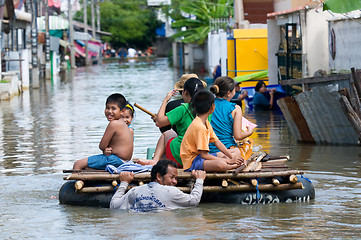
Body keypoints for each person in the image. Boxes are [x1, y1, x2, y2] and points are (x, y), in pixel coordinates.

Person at [137, 78, 207, 167]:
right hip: (199, 153)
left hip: (180, 155)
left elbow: (159, 122)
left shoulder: (183, 108)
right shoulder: (207, 109)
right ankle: (157, 161)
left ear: (184, 92)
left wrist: (165, 100)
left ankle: (155, 160)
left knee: (168, 132)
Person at [180, 90, 244, 172]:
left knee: (236, 151)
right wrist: (228, 161)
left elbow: (217, 142)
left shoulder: (205, 122)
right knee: (221, 164)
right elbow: (204, 155)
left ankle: (231, 163)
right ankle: (231, 166)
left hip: (201, 157)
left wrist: (232, 158)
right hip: (192, 162)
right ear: (213, 107)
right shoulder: (199, 126)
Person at [110, 160, 206, 212]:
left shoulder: (134, 191)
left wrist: (124, 183)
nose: (175, 182)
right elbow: (194, 201)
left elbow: (113, 206)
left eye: (176, 178)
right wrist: (199, 180)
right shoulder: (171, 192)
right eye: (172, 177)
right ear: (159, 176)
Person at [73, 93, 134, 170]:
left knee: (78, 164)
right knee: (87, 167)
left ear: (122, 111)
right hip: (125, 161)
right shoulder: (123, 124)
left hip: (115, 160)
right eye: (107, 108)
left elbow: (102, 146)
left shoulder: (113, 124)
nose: (109, 111)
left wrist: (105, 149)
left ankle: (74, 181)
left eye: (113, 108)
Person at [209, 76, 255, 160]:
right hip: (228, 149)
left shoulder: (208, 105)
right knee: (248, 142)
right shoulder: (235, 108)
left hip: (209, 149)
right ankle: (226, 157)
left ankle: (217, 157)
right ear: (229, 93)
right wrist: (249, 132)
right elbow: (237, 136)